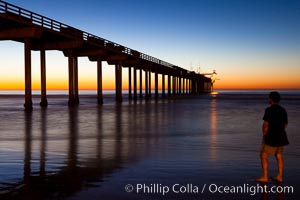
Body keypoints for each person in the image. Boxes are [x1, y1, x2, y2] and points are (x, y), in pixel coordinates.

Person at [256, 91, 289, 183]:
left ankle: (265, 177)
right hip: (281, 135)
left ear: (271, 99)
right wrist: (280, 130)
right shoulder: (283, 110)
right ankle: (279, 176)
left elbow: (266, 124)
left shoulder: (269, 110)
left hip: (271, 136)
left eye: (269, 98)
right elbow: (285, 124)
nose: (268, 99)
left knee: (263, 155)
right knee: (279, 155)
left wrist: (265, 134)